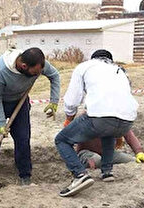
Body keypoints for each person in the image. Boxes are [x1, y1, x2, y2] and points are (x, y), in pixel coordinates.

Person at [55, 49, 138, 197]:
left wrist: (69, 118)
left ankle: (80, 175)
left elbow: (72, 100)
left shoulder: (84, 67)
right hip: (128, 120)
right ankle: (107, 172)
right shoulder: (120, 71)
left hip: (100, 117)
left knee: (61, 140)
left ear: (92, 59)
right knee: (108, 131)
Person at [0, 47, 60, 190]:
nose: (38, 74)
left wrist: (54, 101)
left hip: (20, 102)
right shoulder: (1, 70)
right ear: (23, 66)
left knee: (23, 138)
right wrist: (1, 123)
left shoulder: (39, 64)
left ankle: (25, 175)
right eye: (34, 73)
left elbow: (54, 75)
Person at [76, 129, 144, 170]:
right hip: (86, 152)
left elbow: (128, 134)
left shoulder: (115, 117)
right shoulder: (86, 117)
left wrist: (139, 152)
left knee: (133, 161)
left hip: (109, 152)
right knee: (96, 160)